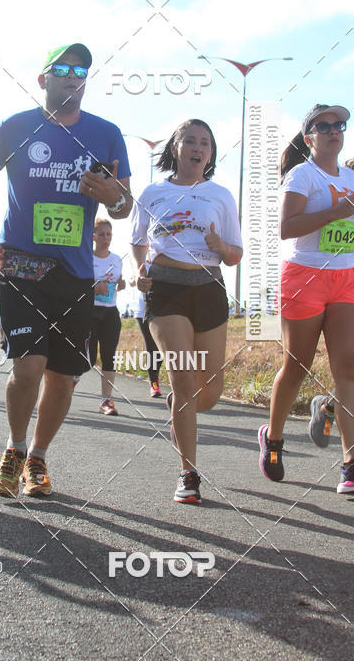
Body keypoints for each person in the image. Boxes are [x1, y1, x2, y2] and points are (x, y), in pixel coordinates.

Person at [0, 42, 132, 497]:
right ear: (44, 78)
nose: (74, 75)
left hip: (75, 275)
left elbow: (123, 205)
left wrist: (111, 195)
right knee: (30, 364)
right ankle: (15, 448)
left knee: (63, 376)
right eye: (63, 68)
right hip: (21, 267)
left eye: (82, 70)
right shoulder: (17, 127)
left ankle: (37, 457)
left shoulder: (107, 133)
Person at [130, 119, 242, 505]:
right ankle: (188, 474)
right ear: (176, 148)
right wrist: (139, 272)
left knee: (209, 392)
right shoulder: (152, 192)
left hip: (209, 287)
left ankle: (178, 407)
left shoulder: (222, 195)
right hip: (165, 290)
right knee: (182, 379)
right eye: (190, 141)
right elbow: (138, 241)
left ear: (210, 154)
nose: (198, 148)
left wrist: (220, 244)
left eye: (205, 143)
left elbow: (236, 255)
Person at [258, 105, 354, 495]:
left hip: (346, 276)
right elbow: (286, 228)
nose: (334, 131)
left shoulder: (350, 176)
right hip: (305, 275)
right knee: (296, 366)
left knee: (347, 368)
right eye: (324, 126)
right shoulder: (302, 174)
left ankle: (350, 463)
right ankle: (273, 437)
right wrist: (336, 212)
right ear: (309, 137)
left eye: (340, 125)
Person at [89, 217, 125, 415]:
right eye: (101, 234)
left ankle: (106, 401)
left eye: (108, 234)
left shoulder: (116, 259)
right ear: (93, 236)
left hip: (111, 311)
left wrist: (122, 282)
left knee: (109, 356)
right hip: (90, 311)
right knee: (88, 358)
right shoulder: (87, 258)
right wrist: (93, 287)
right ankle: (67, 388)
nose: (106, 238)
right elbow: (77, 285)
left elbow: (117, 279)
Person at [136, 290, 162, 397]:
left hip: (165, 310)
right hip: (144, 310)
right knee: (152, 347)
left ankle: (156, 377)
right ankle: (154, 383)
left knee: (163, 348)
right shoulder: (140, 271)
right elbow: (134, 280)